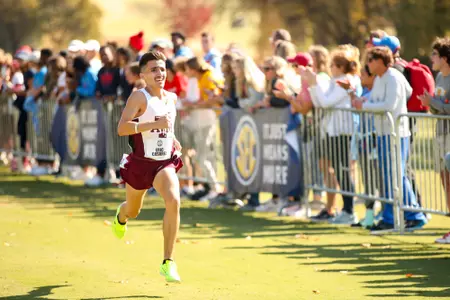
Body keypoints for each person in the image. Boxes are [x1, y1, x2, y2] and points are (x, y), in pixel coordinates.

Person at [113, 50, 183, 283]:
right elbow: (122, 129)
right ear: (143, 73)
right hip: (141, 163)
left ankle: (168, 262)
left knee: (173, 200)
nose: (159, 73)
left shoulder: (171, 98)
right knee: (133, 210)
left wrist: (172, 139)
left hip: (164, 162)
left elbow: (167, 127)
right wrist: (152, 125)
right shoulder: (139, 97)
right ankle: (121, 216)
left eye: (162, 69)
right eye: (154, 69)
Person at [351, 46, 427, 231]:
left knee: (395, 177)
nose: (368, 64)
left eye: (370, 60)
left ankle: (410, 215)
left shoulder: (393, 77)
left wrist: (366, 106)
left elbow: (389, 104)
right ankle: (403, 215)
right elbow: (401, 94)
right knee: (390, 177)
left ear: (379, 61)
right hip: (384, 132)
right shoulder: (381, 78)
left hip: (396, 133)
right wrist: (365, 103)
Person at [418, 37, 450, 240]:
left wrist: (434, 103)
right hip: (440, 133)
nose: (432, 58)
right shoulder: (439, 78)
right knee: (445, 180)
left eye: (435, 55)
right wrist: (428, 102)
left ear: (445, 58)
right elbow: (438, 106)